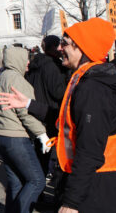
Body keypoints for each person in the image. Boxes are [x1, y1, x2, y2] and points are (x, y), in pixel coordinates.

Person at [0, 18, 116, 213]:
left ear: (82, 47)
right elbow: (68, 120)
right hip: (100, 183)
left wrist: (71, 202)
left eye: (65, 43)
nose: (59, 49)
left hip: (105, 186)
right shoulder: (88, 78)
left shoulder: (94, 87)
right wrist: (27, 104)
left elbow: (89, 149)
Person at [0, 47, 48, 213]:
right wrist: (41, 134)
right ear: (18, 60)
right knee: (37, 181)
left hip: (1, 135)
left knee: (16, 181)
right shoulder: (17, 80)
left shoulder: (1, 78)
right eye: (26, 59)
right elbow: (25, 112)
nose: (28, 63)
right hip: (16, 137)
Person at [24, 35, 67, 170]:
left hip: (34, 108)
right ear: (54, 48)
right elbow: (58, 92)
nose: (62, 49)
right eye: (60, 46)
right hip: (49, 111)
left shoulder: (35, 64)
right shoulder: (52, 66)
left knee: (39, 150)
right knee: (47, 151)